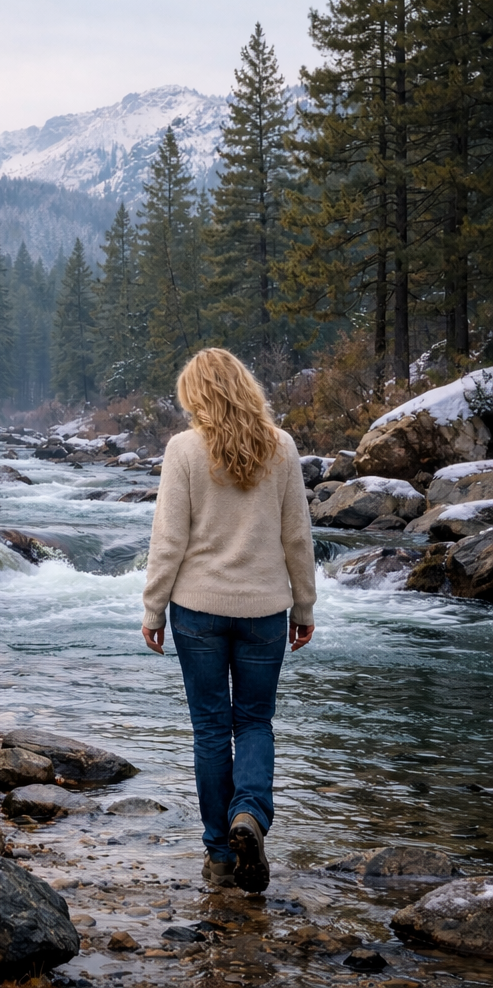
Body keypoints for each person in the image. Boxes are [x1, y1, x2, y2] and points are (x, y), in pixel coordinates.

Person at [141, 348, 316, 893]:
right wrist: (304, 606)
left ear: (195, 395)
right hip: (265, 610)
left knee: (212, 730)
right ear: (246, 387)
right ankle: (250, 817)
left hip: (197, 610)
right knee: (255, 722)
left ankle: (220, 855)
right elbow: (297, 537)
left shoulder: (184, 449)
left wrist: (153, 608)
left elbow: (169, 539)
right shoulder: (281, 447)